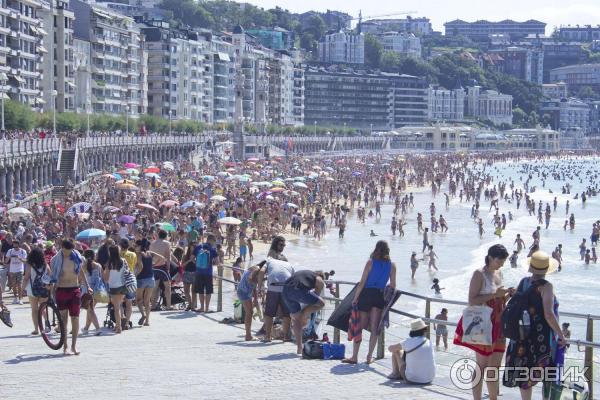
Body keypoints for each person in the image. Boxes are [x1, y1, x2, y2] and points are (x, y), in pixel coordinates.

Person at [454, 244, 512, 400]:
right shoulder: (479, 274)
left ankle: (493, 398)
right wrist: (495, 294)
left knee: (495, 366)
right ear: (491, 258)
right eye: (500, 261)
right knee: (482, 365)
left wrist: (507, 296)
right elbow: (472, 301)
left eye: (503, 261)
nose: (502, 264)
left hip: (498, 323)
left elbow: (499, 299)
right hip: (483, 323)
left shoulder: (499, 272)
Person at [506, 251, 566, 400]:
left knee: (524, 377)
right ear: (546, 270)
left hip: (521, 336)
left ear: (531, 267)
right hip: (539, 339)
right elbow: (549, 315)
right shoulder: (546, 287)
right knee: (546, 372)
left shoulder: (524, 282)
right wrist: (561, 335)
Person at [342, 240, 396, 364]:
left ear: (376, 249)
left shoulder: (370, 263)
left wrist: (355, 298)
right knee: (375, 328)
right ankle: (369, 357)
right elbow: (393, 285)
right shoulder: (392, 266)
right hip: (379, 296)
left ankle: (354, 356)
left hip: (366, 295)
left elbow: (362, 282)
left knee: (359, 326)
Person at [49, 239, 91, 355]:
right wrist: (50, 292)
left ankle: (74, 346)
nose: (68, 253)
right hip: (61, 290)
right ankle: (65, 346)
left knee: (75, 318)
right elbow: (52, 277)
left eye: (70, 250)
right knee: (63, 320)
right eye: (66, 250)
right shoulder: (55, 260)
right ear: (61, 247)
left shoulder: (76, 257)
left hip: (74, 289)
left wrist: (87, 286)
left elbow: (81, 272)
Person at [281, 269, 326, 355]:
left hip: (285, 290)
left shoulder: (305, 274)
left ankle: (299, 348)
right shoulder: (319, 279)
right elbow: (316, 297)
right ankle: (304, 314)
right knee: (321, 303)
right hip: (297, 290)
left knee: (297, 320)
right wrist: (306, 313)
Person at [256, 257, 294, 342]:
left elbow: (261, 272)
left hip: (273, 288)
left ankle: (268, 337)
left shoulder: (269, 261)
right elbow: (294, 279)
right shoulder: (289, 264)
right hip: (286, 289)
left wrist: (259, 287)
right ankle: (286, 337)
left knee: (269, 314)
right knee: (287, 314)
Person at [387, 318, 436, 384]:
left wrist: (401, 346)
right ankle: (397, 373)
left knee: (396, 351)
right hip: (429, 379)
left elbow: (390, 348)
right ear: (424, 330)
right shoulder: (428, 342)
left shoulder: (408, 342)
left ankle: (395, 373)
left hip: (412, 379)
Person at [21, 247, 50, 335]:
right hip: (44, 288)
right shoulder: (45, 264)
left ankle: (36, 329)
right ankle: (46, 322)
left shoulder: (30, 265)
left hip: (31, 289)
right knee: (43, 308)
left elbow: (26, 278)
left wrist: (22, 290)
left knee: (34, 310)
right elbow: (50, 273)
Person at [135, 238, 161, 326]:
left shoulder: (139, 254)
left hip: (141, 278)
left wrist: (135, 275)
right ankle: (147, 321)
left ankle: (143, 315)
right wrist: (153, 264)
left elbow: (140, 266)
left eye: (136, 246)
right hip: (151, 278)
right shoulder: (150, 253)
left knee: (138, 300)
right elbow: (162, 258)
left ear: (140, 246)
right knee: (147, 301)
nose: (136, 247)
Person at [103, 245, 127, 334]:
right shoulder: (123, 261)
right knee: (119, 305)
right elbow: (127, 273)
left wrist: (103, 273)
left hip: (114, 287)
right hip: (123, 286)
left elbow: (106, 278)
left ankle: (119, 327)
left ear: (110, 252)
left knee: (116, 308)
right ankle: (121, 320)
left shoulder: (109, 263)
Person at [236, 263, 262, 341]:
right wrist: (261, 280)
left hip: (245, 292)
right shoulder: (257, 269)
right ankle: (248, 335)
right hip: (244, 292)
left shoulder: (254, 268)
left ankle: (248, 334)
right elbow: (250, 279)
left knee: (250, 313)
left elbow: (253, 286)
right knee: (249, 313)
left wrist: (256, 298)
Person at [193, 233, 218, 312]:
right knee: (208, 291)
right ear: (211, 240)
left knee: (200, 290)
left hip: (199, 272)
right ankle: (207, 308)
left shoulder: (198, 247)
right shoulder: (212, 249)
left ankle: (202, 307)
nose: (214, 243)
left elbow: (192, 258)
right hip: (208, 273)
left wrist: (198, 265)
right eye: (214, 241)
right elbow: (217, 262)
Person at [150, 230, 174, 310]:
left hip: (154, 267)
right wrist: (168, 268)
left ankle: (153, 305)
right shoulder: (167, 243)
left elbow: (151, 255)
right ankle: (168, 305)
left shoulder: (152, 243)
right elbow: (168, 257)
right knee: (168, 287)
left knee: (155, 288)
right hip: (162, 266)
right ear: (165, 235)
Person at [80, 249, 101, 335]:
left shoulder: (83, 266)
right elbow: (101, 277)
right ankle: (86, 328)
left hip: (87, 290)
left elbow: (80, 279)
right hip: (96, 290)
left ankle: (97, 328)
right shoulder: (98, 266)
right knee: (90, 310)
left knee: (90, 310)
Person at [119, 238, 136, 328]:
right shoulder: (133, 254)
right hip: (130, 279)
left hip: (120, 280)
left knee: (120, 302)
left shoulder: (118, 254)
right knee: (129, 302)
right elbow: (134, 265)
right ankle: (127, 322)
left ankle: (122, 317)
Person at [5, 240, 27, 304]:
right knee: (14, 285)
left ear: (18, 245)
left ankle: (20, 299)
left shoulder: (23, 251)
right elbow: (6, 261)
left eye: (16, 246)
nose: (15, 248)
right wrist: (9, 257)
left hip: (20, 270)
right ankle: (15, 297)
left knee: (19, 284)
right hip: (12, 270)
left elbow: (25, 261)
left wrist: (19, 257)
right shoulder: (10, 251)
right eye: (14, 246)